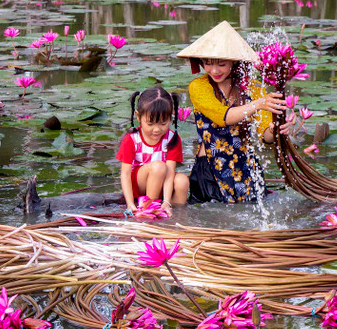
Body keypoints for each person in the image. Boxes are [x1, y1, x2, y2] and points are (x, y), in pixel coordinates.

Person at [177, 21, 295, 203]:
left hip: (246, 167)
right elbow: (222, 117)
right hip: (210, 169)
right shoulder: (199, 86)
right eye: (207, 64)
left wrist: (276, 128)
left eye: (222, 65)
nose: (214, 71)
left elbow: (266, 137)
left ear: (235, 62)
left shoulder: (254, 89)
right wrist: (258, 104)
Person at [116, 86, 189, 215]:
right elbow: (125, 174)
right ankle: (148, 209)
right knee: (159, 167)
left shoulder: (173, 138)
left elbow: (170, 172)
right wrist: (130, 204)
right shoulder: (132, 139)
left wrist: (166, 200)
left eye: (163, 123)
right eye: (150, 124)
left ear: (170, 118)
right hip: (139, 184)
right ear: (138, 116)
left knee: (182, 181)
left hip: (162, 179)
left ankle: (174, 215)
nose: (157, 130)